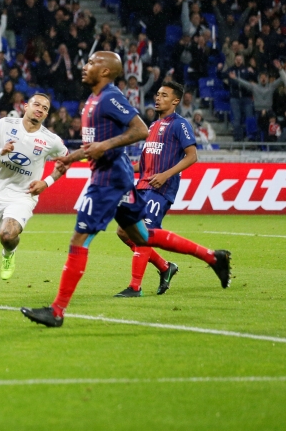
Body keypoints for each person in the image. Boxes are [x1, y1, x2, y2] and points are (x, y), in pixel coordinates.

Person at [21, 53, 230, 328]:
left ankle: (57, 311)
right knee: (141, 235)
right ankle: (212, 257)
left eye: (92, 63)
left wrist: (105, 147)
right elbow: (94, 145)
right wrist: (68, 160)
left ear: (105, 71)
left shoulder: (109, 96)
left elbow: (139, 129)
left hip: (109, 179)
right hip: (113, 176)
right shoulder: (93, 101)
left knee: (78, 240)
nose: (85, 67)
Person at [113, 81, 229, 298]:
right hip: (143, 186)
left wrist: (166, 175)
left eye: (164, 95)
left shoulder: (180, 124)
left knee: (144, 233)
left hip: (161, 188)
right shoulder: (152, 126)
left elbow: (192, 155)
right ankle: (165, 267)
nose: (158, 98)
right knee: (123, 231)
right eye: (157, 94)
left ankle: (135, 287)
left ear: (176, 100)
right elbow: (145, 164)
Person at [0, 92, 68, 301]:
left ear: (46, 114)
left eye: (45, 108)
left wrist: (47, 182)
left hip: (23, 195)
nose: (40, 109)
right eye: (37, 105)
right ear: (25, 106)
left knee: (7, 235)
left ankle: (9, 253)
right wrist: (1, 151)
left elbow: (65, 161)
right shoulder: (4, 125)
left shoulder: (51, 140)